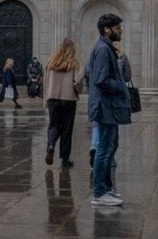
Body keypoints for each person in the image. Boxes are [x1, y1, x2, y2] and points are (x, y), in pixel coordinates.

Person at [87, 14, 131, 207]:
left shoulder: (105, 48)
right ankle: (99, 192)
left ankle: (106, 189)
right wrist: (120, 86)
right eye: (117, 27)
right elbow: (100, 79)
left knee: (109, 148)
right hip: (105, 107)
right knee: (104, 150)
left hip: (107, 106)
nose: (120, 31)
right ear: (107, 29)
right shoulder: (103, 49)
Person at [44, 37, 80, 167]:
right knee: (67, 129)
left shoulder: (51, 62)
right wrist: (77, 91)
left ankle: (51, 145)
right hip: (68, 99)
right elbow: (77, 82)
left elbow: (46, 83)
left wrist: (46, 100)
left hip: (52, 98)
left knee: (53, 125)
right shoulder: (73, 63)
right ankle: (65, 159)